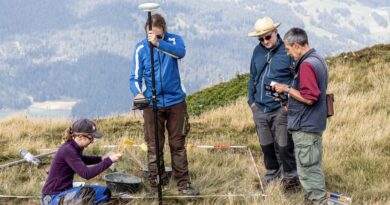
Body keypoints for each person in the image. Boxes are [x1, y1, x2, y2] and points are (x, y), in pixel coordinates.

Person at [129, 13, 199, 196]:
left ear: (164, 32)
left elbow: (180, 53)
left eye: (158, 35)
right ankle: (156, 185)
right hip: (152, 104)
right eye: (150, 35)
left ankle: (183, 185)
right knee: (154, 146)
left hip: (176, 102)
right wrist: (137, 93)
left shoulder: (174, 41)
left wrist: (159, 43)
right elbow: (135, 77)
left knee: (178, 145)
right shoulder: (140, 48)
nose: (152, 39)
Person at [273, 27, 330, 204]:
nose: (289, 54)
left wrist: (287, 89)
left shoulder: (306, 65)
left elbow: (310, 97)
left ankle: (317, 200)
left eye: (289, 50)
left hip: (306, 126)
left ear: (297, 46)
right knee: (311, 165)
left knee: (307, 168)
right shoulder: (318, 59)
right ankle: (314, 197)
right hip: (313, 122)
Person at [247, 16, 299, 189]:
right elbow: (252, 77)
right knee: (266, 146)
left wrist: (288, 102)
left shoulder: (288, 52)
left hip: (280, 109)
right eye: (261, 38)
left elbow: (297, 79)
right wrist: (251, 102)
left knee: (284, 146)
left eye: (268, 37)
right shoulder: (257, 51)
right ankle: (272, 175)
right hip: (259, 108)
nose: (265, 41)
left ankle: (290, 177)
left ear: (276, 32)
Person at [42, 119, 122, 205]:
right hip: (53, 197)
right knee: (86, 193)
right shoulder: (68, 150)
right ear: (80, 136)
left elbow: (81, 159)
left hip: (66, 192)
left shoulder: (74, 147)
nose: (92, 141)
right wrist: (109, 161)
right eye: (91, 138)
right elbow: (86, 174)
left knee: (104, 192)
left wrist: (101, 158)